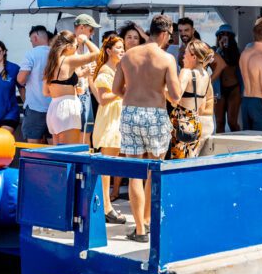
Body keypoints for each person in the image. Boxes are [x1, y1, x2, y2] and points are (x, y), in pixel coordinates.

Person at [112, 14, 181, 243]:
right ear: (163, 33)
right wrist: (159, 94)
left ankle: (140, 229)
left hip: (130, 112)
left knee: (135, 172)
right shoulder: (167, 59)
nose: (169, 40)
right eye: (170, 36)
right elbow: (176, 96)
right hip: (155, 115)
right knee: (154, 169)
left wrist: (132, 97)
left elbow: (116, 88)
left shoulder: (129, 55)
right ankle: (148, 221)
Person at [92, 35, 126, 224]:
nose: (122, 50)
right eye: (119, 47)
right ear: (109, 51)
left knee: (112, 164)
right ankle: (106, 206)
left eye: (123, 48)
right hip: (110, 120)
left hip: (118, 118)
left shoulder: (119, 68)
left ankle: (106, 204)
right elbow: (103, 98)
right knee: (107, 165)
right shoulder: (105, 70)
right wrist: (123, 89)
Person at [43, 30, 99, 145]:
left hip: (54, 108)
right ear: (68, 46)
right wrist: (85, 40)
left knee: (58, 152)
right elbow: (97, 53)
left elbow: (46, 92)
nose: (77, 48)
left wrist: (71, 87)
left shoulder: (51, 63)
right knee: (69, 151)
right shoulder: (68, 60)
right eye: (76, 46)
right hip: (67, 109)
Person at [170, 39, 214, 159]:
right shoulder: (207, 76)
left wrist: (163, 90)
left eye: (186, 53)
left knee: (177, 162)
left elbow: (175, 99)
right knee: (190, 159)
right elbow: (202, 107)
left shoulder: (186, 72)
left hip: (181, 122)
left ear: (193, 57)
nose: (183, 56)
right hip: (195, 122)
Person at [17, 25, 52, 143]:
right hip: (54, 108)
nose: (31, 43)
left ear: (35, 37)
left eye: (31, 40)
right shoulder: (57, 54)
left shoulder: (31, 54)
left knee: (33, 146)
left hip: (35, 107)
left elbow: (21, 79)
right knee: (54, 146)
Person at [73, 14, 101, 144]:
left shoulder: (86, 47)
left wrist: (99, 99)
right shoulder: (69, 45)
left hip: (85, 95)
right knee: (75, 134)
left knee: (87, 132)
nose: (93, 33)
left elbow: (97, 55)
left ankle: (85, 162)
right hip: (72, 96)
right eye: (91, 30)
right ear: (82, 28)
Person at [213, 24, 241, 133]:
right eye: (221, 34)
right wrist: (220, 49)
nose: (224, 36)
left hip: (234, 89)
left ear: (231, 37)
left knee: (232, 121)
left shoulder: (236, 52)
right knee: (219, 122)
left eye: (227, 34)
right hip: (219, 91)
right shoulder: (215, 50)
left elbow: (236, 67)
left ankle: (238, 145)